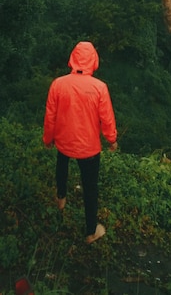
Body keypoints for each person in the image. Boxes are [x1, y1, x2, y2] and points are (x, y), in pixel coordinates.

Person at [43, 41, 118, 244]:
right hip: (89, 147)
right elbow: (107, 118)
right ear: (94, 61)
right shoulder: (99, 87)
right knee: (90, 187)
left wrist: (48, 139)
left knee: (62, 164)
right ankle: (90, 231)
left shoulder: (58, 84)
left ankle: (60, 198)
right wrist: (112, 140)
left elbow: (50, 116)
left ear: (72, 59)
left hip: (64, 142)